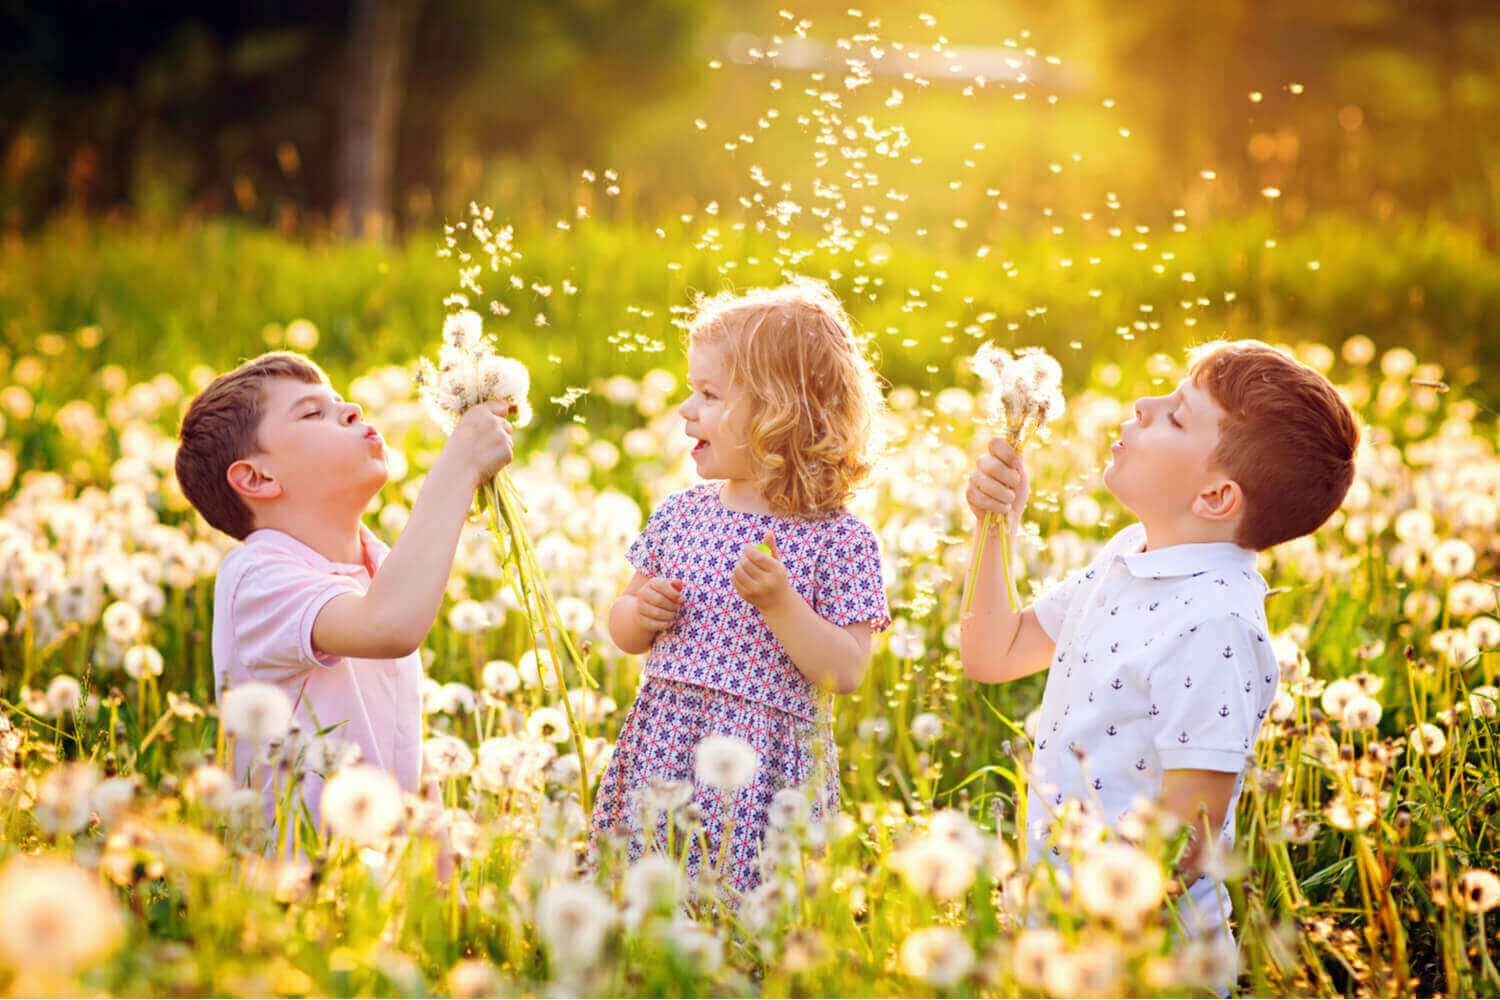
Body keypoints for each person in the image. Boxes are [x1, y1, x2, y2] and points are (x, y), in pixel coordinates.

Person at [960, 340, 1359, 984]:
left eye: (1177, 415)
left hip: (1149, 960)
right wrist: (994, 525)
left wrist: (1101, 937)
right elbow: (993, 652)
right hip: (1060, 929)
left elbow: (1188, 831)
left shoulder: (1214, 622)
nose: (1143, 405)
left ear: (1215, 497)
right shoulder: (1128, 556)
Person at [589, 278, 891, 897]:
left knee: (745, 919)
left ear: (781, 413)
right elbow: (622, 631)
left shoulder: (840, 539)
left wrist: (783, 605)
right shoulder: (680, 513)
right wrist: (639, 612)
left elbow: (848, 670)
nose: (685, 408)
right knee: (648, 902)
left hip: (766, 769)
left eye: (708, 393)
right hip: (666, 747)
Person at [174, 351, 513, 850]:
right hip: (301, 888)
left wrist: (444, 884)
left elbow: (402, 742)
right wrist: (456, 472)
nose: (352, 409)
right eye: (312, 413)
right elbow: (390, 626)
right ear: (258, 478)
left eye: (339, 400)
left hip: (382, 880)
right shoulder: (255, 576)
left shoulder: (376, 565)